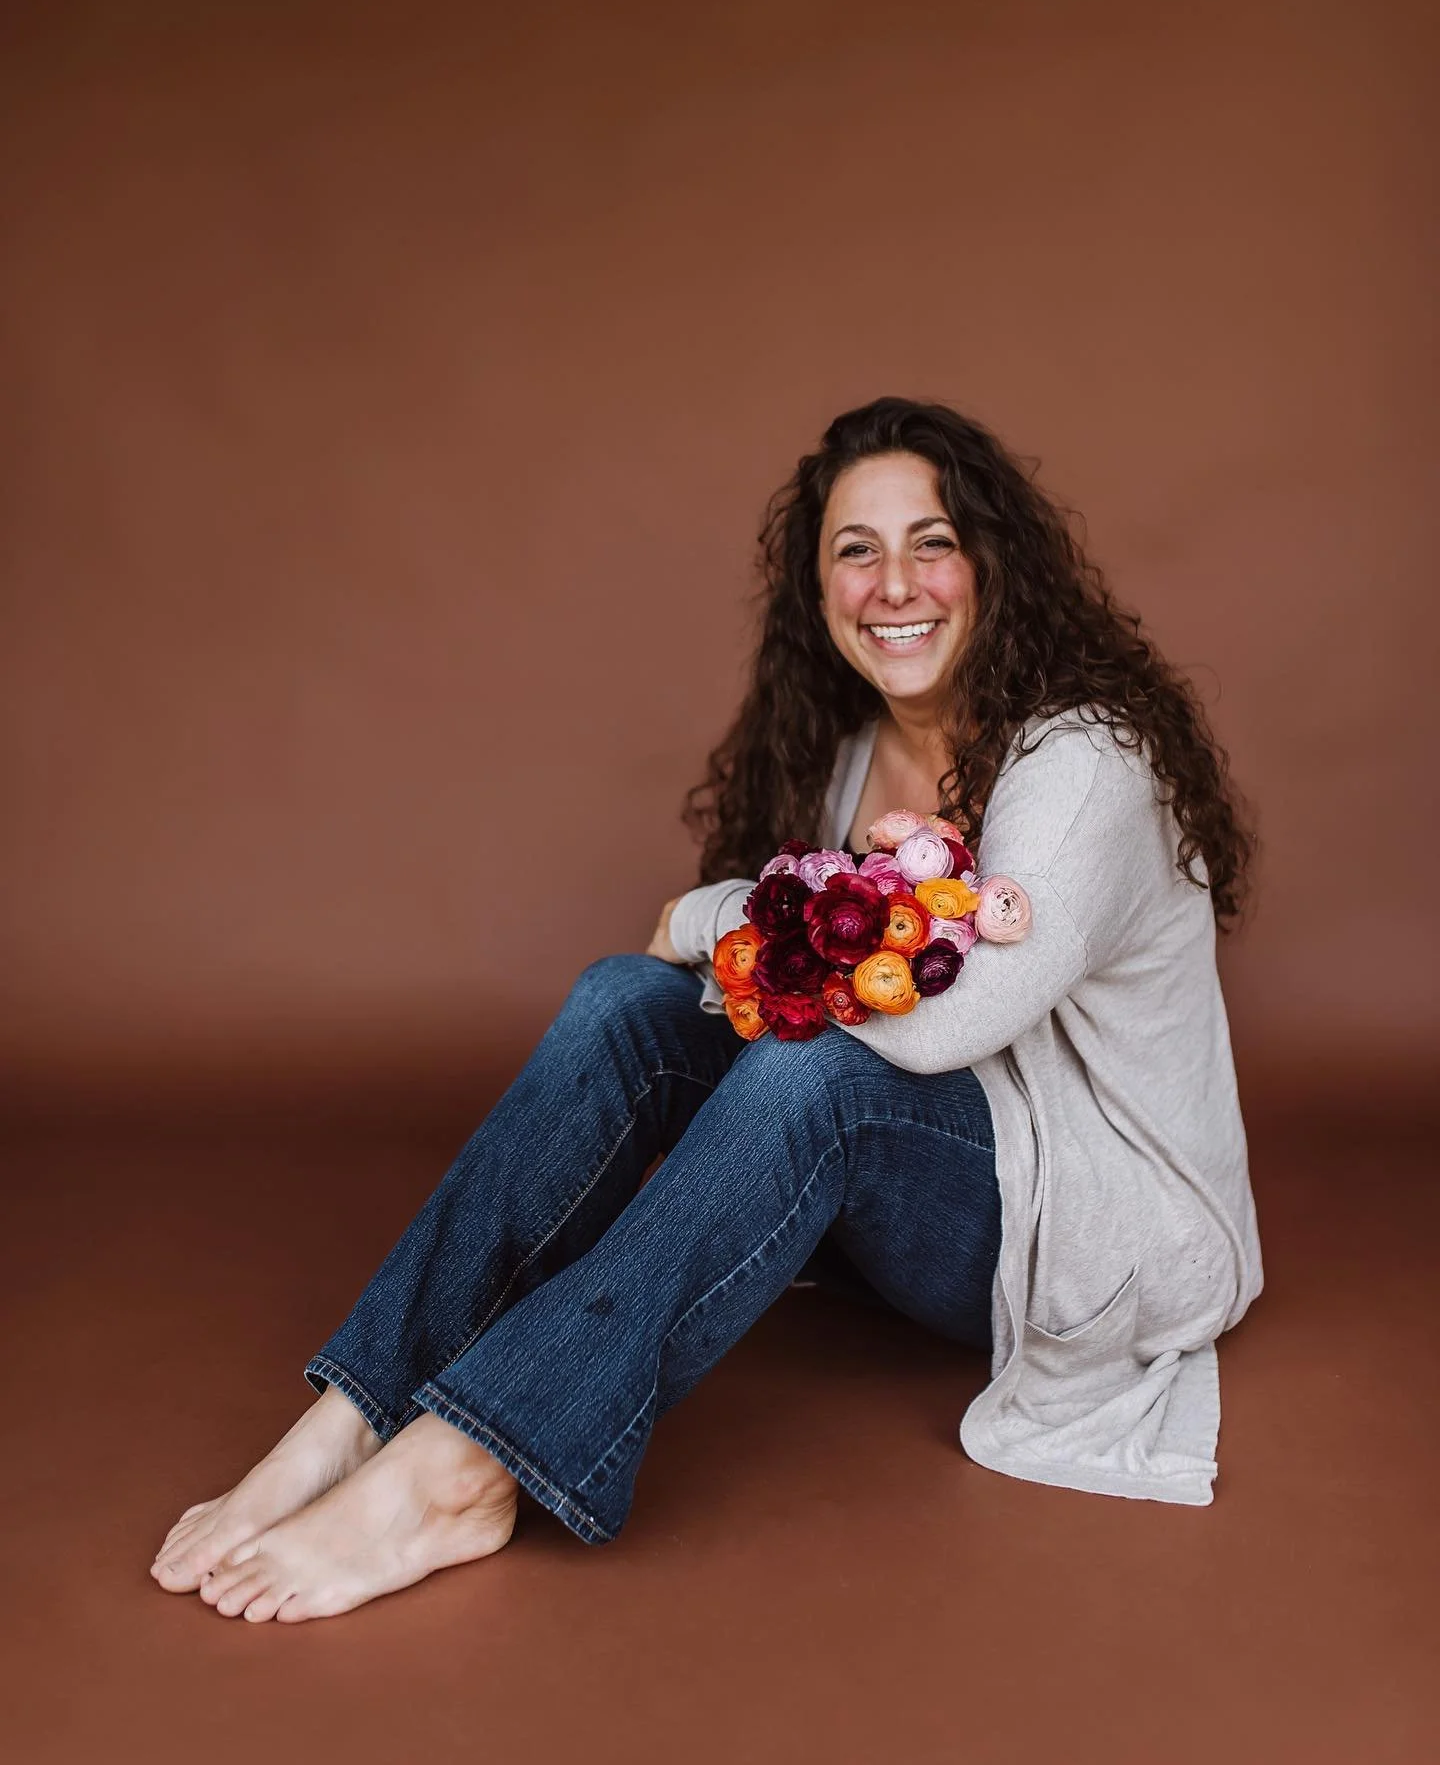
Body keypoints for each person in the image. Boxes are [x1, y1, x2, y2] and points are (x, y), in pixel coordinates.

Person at [150, 396, 1263, 1624]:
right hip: (944, 1179)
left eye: (933, 540)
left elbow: (937, 1027)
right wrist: (709, 942)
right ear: (817, 587)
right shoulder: (854, 748)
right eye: (856, 549)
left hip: (1097, 1231)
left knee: (815, 1074)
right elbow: (776, 984)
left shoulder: (1084, 761)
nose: (897, 582)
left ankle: (466, 1465)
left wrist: (703, 911)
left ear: (996, 561)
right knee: (624, 1002)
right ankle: (355, 1412)